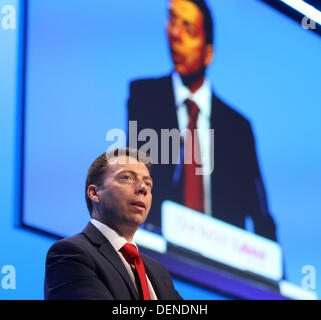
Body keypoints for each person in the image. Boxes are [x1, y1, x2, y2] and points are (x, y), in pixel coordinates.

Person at [127, 0, 278, 241]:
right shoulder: (145, 97)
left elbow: (261, 216)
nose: (175, 34)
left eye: (189, 29)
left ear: (208, 53)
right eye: (173, 21)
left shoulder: (238, 128)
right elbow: (135, 182)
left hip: (221, 267)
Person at [44, 148, 182, 300]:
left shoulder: (157, 272)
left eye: (148, 183)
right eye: (127, 177)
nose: (142, 188)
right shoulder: (71, 254)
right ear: (95, 193)